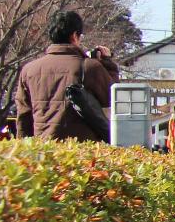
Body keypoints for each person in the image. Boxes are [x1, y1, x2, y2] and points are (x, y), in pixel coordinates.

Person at [15, 10, 120, 140]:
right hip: (80, 150)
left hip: (42, 149)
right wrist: (108, 63)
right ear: (75, 36)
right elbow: (114, 98)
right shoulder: (89, 67)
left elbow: (24, 116)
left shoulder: (29, 70)